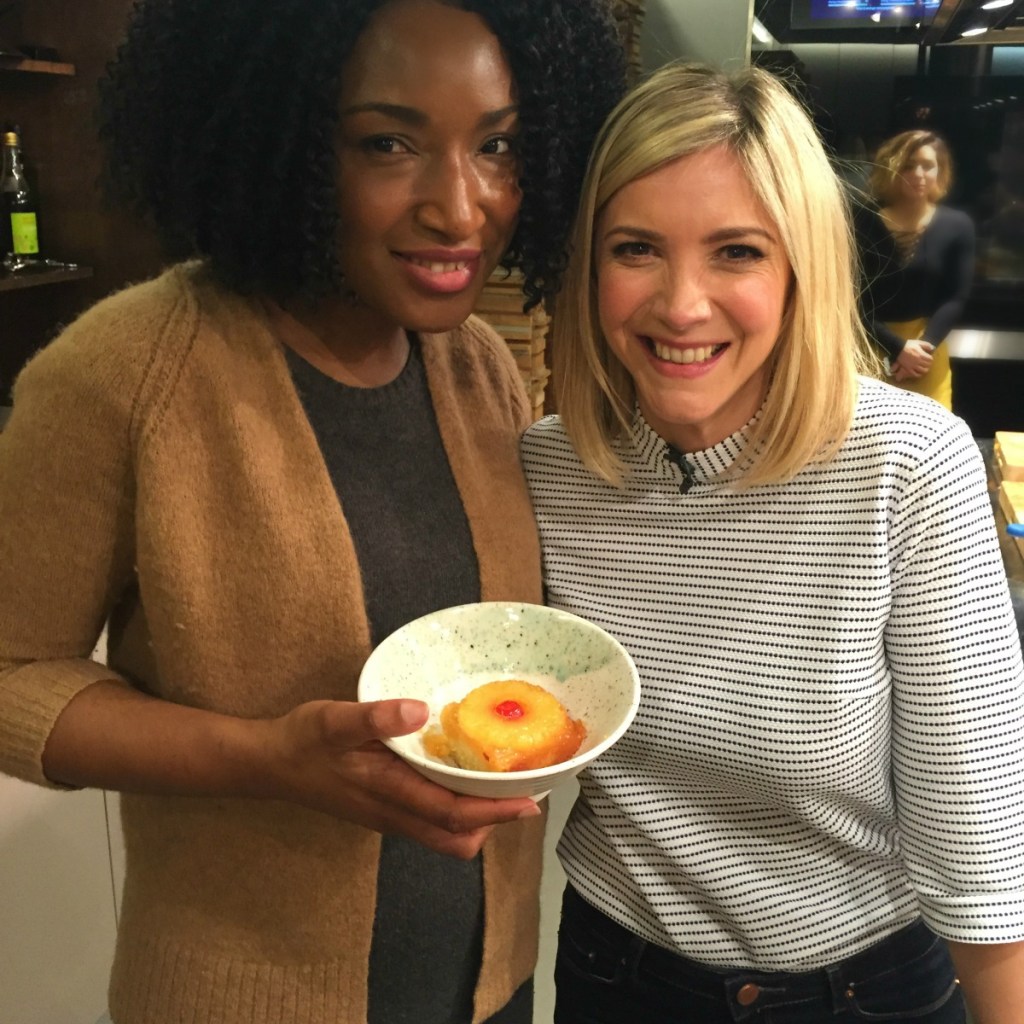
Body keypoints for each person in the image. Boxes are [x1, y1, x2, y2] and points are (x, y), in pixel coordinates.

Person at [0, 2, 626, 1023]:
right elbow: (9, 676)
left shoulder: (478, 373)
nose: (461, 209)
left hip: (488, 985)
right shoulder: (123, 373)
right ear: (279, 136)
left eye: (498, 147)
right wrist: (263, 760)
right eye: (388, 143)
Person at [521, 62, 1024, 1024]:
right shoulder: (548, 468)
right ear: (589, 264)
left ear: (801, 267)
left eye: (737, 253)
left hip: (860, 988)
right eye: (636, 248)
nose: (681, 304)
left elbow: (978, 836)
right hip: (612, 972)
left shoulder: (907, 467)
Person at [855, 129, 976, 411]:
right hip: (870, 345)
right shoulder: (861, 220)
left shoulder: (957, 225)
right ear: (892, 167)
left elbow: (955, 297)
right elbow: (849, 297)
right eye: (909, 165)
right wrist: (898, 348)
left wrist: (923, 349)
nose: (919, 173)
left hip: (926, 351)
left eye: (928, 165)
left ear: (940, 171)